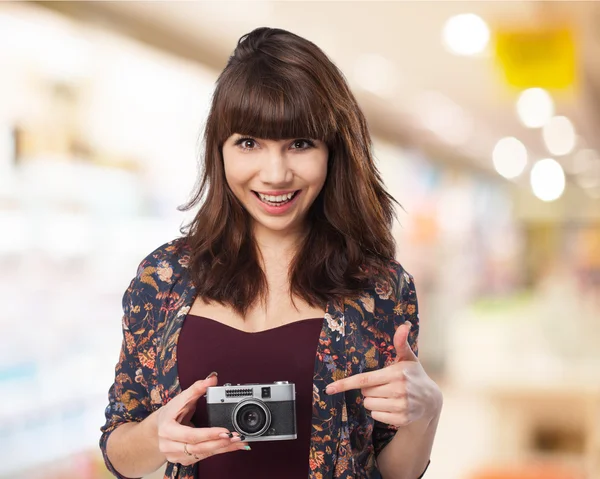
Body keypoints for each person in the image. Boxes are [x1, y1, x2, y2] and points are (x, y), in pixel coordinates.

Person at [99, 26, 443, 479]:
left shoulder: (379, 288)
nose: (276, 173)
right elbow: (117, 448)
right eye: (249, 143)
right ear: (218, 152)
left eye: (300, 143)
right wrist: (155, 436)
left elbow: (391, 472)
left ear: (332, 151)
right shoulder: (163, 278)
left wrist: (427, 413)